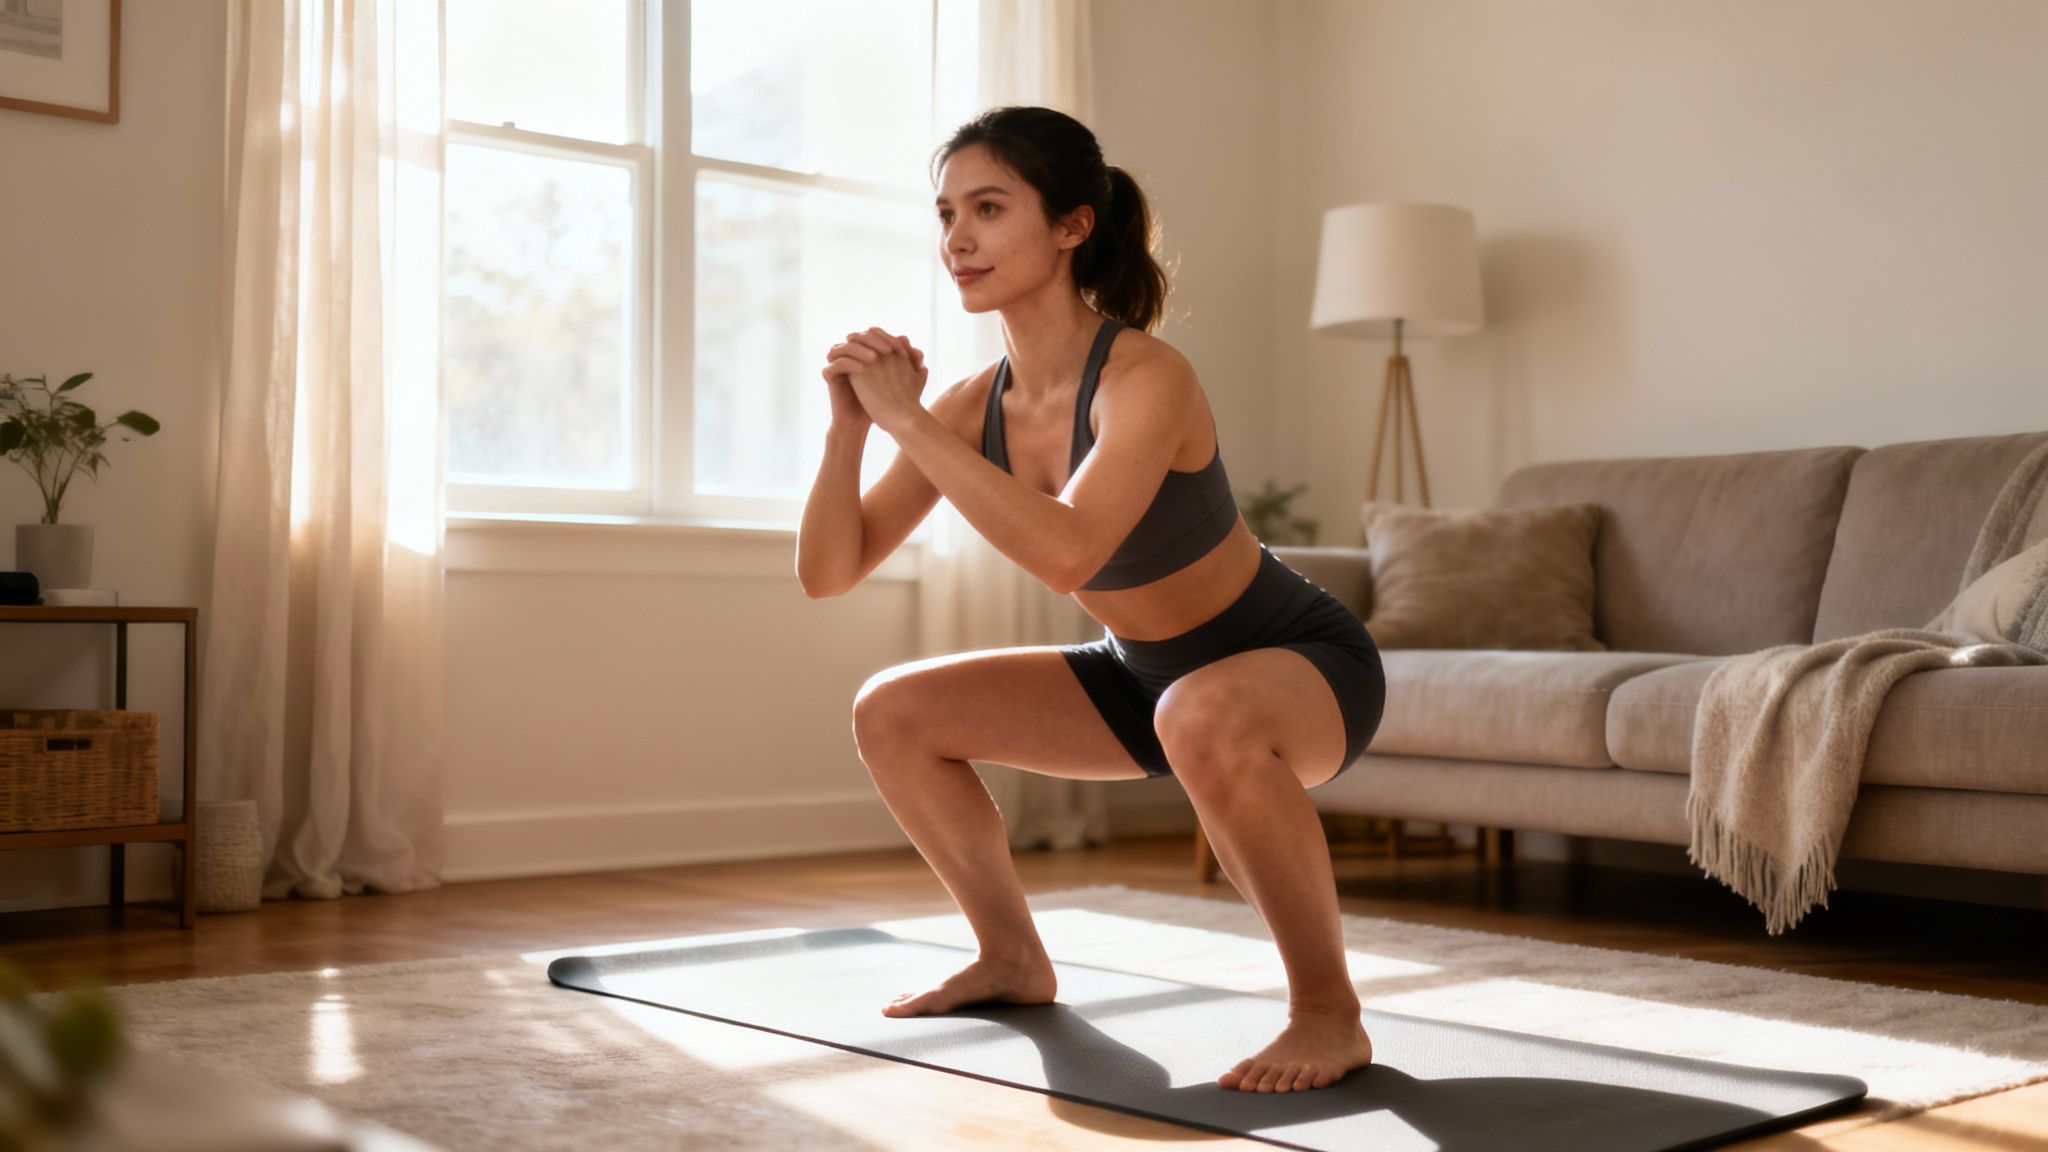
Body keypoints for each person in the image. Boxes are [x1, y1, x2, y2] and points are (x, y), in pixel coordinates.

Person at [795, 105, 1386, 1094]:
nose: (957, 239)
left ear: (1071, 226)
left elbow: (1068, 553)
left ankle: (1328, 1013)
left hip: (1299, 666)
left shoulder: (1146, 377)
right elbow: (828, 570)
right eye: (945, 214)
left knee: (1197, 710)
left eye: (988, 208)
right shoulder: (968, 407)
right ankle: (1009, 957)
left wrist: (911, 425)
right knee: (891, 710)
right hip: (1142, 681)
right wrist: (851, 432)